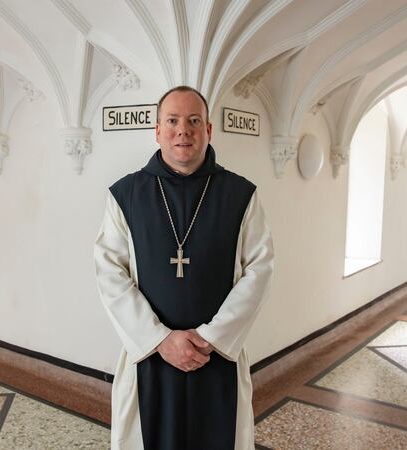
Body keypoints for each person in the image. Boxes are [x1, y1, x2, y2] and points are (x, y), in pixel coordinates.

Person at [94, 85, 274, 450]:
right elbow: (110, 271)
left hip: (215, 357)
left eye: (194, 121)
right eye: (173, 120)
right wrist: (159, 340)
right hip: (150, 359)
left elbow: (260, 269)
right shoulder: (125, 195)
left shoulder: (240, 195)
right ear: (157, 129)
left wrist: (212, 338)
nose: (183, 130)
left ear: (208, 130)